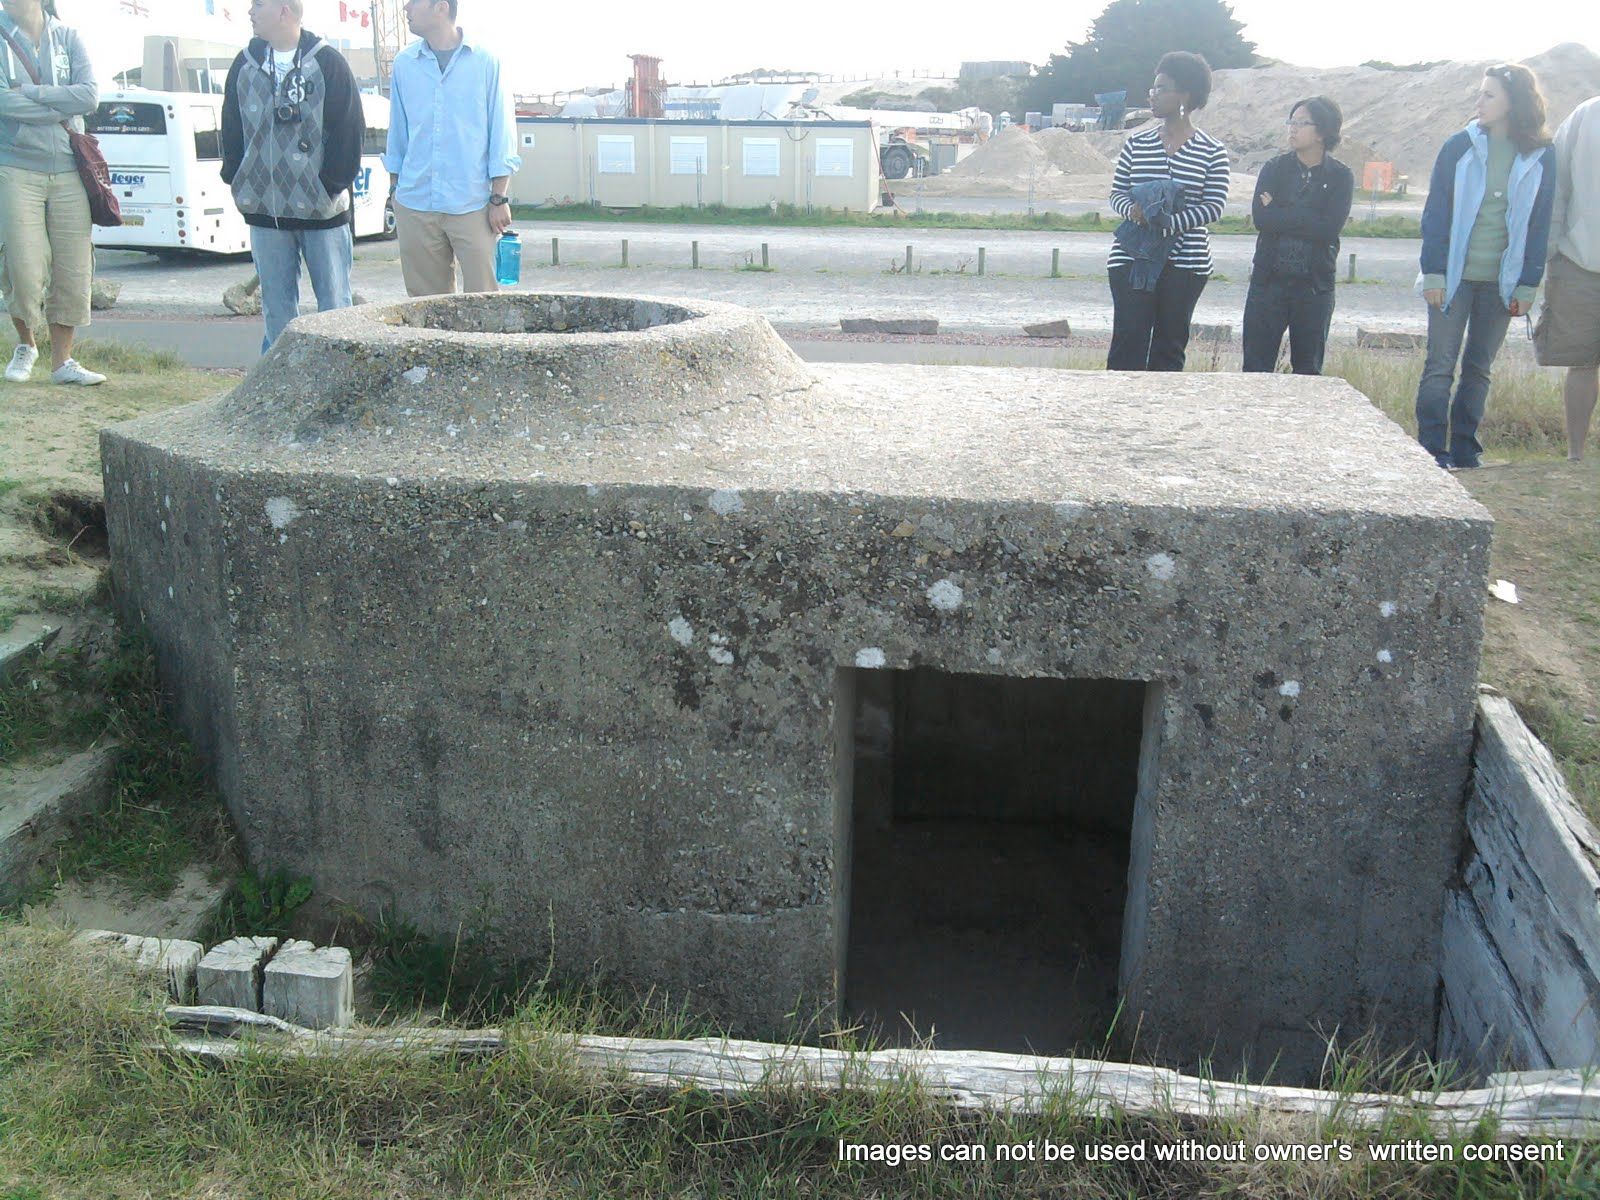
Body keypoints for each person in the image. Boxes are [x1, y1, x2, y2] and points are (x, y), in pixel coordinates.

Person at [1415, 64, 1557, 470]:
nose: (1479, 101)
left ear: (1514, 102)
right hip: (1453, 279)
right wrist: (1435, 272)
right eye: (1479, 93)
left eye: (1489, 95)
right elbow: (1435, 215)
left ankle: (1465, 449)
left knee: (1479, 367)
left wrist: (1528, 284)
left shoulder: (1541, 154)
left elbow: (1539, 223)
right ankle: (1430, 451)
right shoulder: (1458, 146)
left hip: (1502, 283)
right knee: (1439, 366)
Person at [221, 0, 365, 352]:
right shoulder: (244, 64)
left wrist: (328, 186)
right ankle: (277, 393)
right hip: (265, 212)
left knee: (335, 306)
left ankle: (337, 386)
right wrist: (237, 179)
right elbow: (231, 127)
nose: (250, 11)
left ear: (284, 10)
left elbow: (349, 129)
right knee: (276, 309)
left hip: (323, 213)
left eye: (258, 5)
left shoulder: (328, 62)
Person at [383, 0, 520, 297]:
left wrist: (499, 197)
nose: (406, 8)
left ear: (440, 7)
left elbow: (502, 132)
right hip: (415, 202)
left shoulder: (485, 62)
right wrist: (395, 191)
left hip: (472, 203)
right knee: (425, 307)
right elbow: (398, 131)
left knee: (484, 304)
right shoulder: (405, 64)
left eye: (413, 2)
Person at [0, 0, 104, 385]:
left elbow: (89, 96)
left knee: (74, 266)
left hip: (68, 166)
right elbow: (1, 101)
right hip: (14, 165)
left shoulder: (68, 36)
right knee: (22, 266)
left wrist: (31, 92)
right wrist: (57, 98)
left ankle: (63, 363)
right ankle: (26, 343)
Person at [1106, 51, 1230, 372]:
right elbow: (1117, 193)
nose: (1154, 95)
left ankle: (1161, 417)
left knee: (1170, 347)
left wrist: (1170, 223)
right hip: (1133, 259)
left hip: (1186, 262)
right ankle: (1115, 412)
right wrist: (1133, 210)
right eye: (1153, 88)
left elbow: (1214, 206)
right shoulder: (1137, 144)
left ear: (1185, 95)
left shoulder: (1211, 150)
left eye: (1163, 88)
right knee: (1127, 344)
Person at [1242, 97, 1354, 374]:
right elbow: (1262, 219)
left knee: (1308, 369)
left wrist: (1280, 210)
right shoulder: (1274, 168)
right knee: (1255, 368)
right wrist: (1307, 217)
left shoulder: (1340, 176)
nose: (1292, 129)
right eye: (1291, 121)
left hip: (1314, 285)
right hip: (1268, 282)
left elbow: (1328, 229)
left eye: (1302, 123)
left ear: (1323, 131)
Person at [1533, 94, 1599, 462]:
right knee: (1582, 362)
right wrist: (1551, 249)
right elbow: (1556, 187)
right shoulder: (1585, 116)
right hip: (1580, 261)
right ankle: (1576, 455)